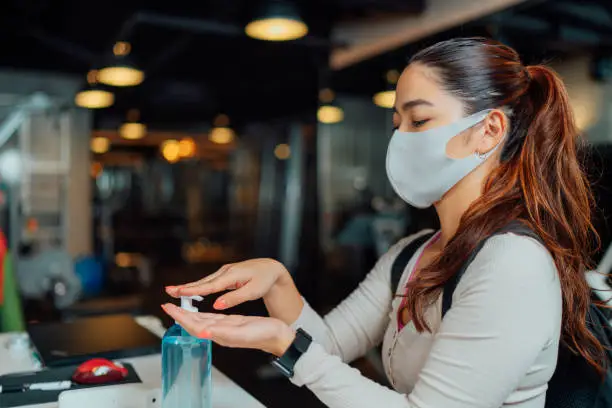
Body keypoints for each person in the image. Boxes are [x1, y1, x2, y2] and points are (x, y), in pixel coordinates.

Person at [162, 38, 605, 407]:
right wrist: (279, 283)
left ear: (488, 130)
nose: (401, 140)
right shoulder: (413, 253)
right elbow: (329, 346)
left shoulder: (513, 264)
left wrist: (286, 348)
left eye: (420, 120)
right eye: (398, 123)